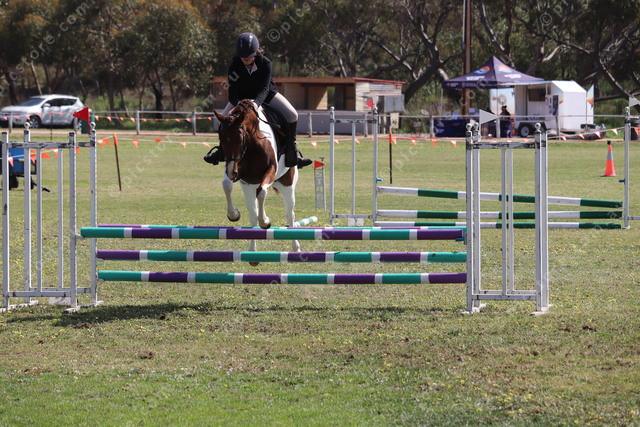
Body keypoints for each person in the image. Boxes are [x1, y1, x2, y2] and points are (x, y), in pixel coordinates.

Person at [206, 32, 312, 168]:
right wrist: (238, 104)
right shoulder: (235, 65)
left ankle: (292, 151)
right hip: (241, 98)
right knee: (223, 120)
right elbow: (232, 90)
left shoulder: (265, 63)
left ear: (256, 52)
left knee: (292, 115)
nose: (245, 58)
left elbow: (264, 89)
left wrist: (255, 104)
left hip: (267, 96)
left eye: (249, 55)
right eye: (243, 55)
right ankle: (221, 151)